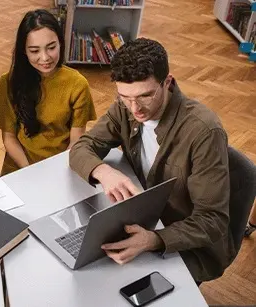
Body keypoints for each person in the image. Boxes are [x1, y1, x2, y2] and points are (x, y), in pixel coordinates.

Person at [69, 38, 236, 284]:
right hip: (142, 217)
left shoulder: (204, 131)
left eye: (145, 95)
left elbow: (213, 220)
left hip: (183, 242)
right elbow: (81, 148)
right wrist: (104, 172)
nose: (134, 108)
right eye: (125, 96)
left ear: (167, 82)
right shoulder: (124, 107)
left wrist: (154, 239)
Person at [0, 9, 96, 176]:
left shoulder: (77, 84)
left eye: (51, 47)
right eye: (34, 51)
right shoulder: (9, 82)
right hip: (19, 168)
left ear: (60, 43)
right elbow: (9, 138)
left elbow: (76, 140)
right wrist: (31, 172)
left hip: (62, 167)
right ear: (24, 51)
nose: (45, 57)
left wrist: (57, 172)